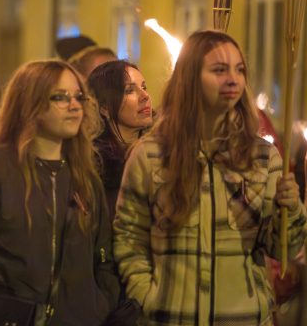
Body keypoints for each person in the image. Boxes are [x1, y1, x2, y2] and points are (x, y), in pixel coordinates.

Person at [113, 30, 307, 325]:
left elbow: (284, 247)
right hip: (173, 318)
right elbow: (129, 237)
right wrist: (148, 297)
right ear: (190, 77)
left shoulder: (262, 156)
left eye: (239, 70)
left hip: (243, 319)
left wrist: (290, 208)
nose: (232, 79)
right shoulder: (150, 154)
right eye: (219, 70)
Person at [0, 59, 120, 325]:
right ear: (30, 103)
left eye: (78, 97)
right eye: (60, 97)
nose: (74, 105)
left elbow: (102, 259)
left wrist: (98, 306)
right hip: (10, 318)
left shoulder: (83, 174)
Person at [87, 60, 153, 218]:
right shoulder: (93, 165)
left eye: (144, 87)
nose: (145, 96)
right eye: (129, 90)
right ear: (104, 108)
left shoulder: (158, 152)